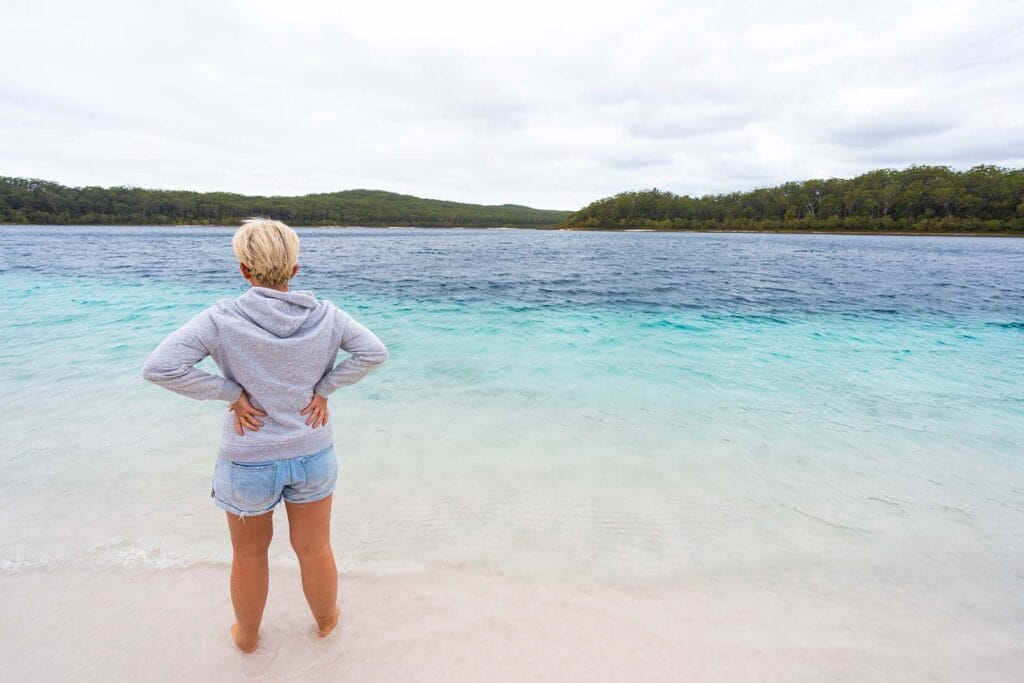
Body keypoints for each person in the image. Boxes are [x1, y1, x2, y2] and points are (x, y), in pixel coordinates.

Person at [141, 218, 388, 652]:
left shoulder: (221, 319)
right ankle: (327, 626)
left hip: (248, 458)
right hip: (312, 451)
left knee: (250, 555)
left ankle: (248, 639)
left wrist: (230, 393)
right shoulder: (328, 316)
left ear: (244, 269)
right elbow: (373, 352)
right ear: (294, 269)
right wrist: (323, 389)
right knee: (315, 548)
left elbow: (160, 368)